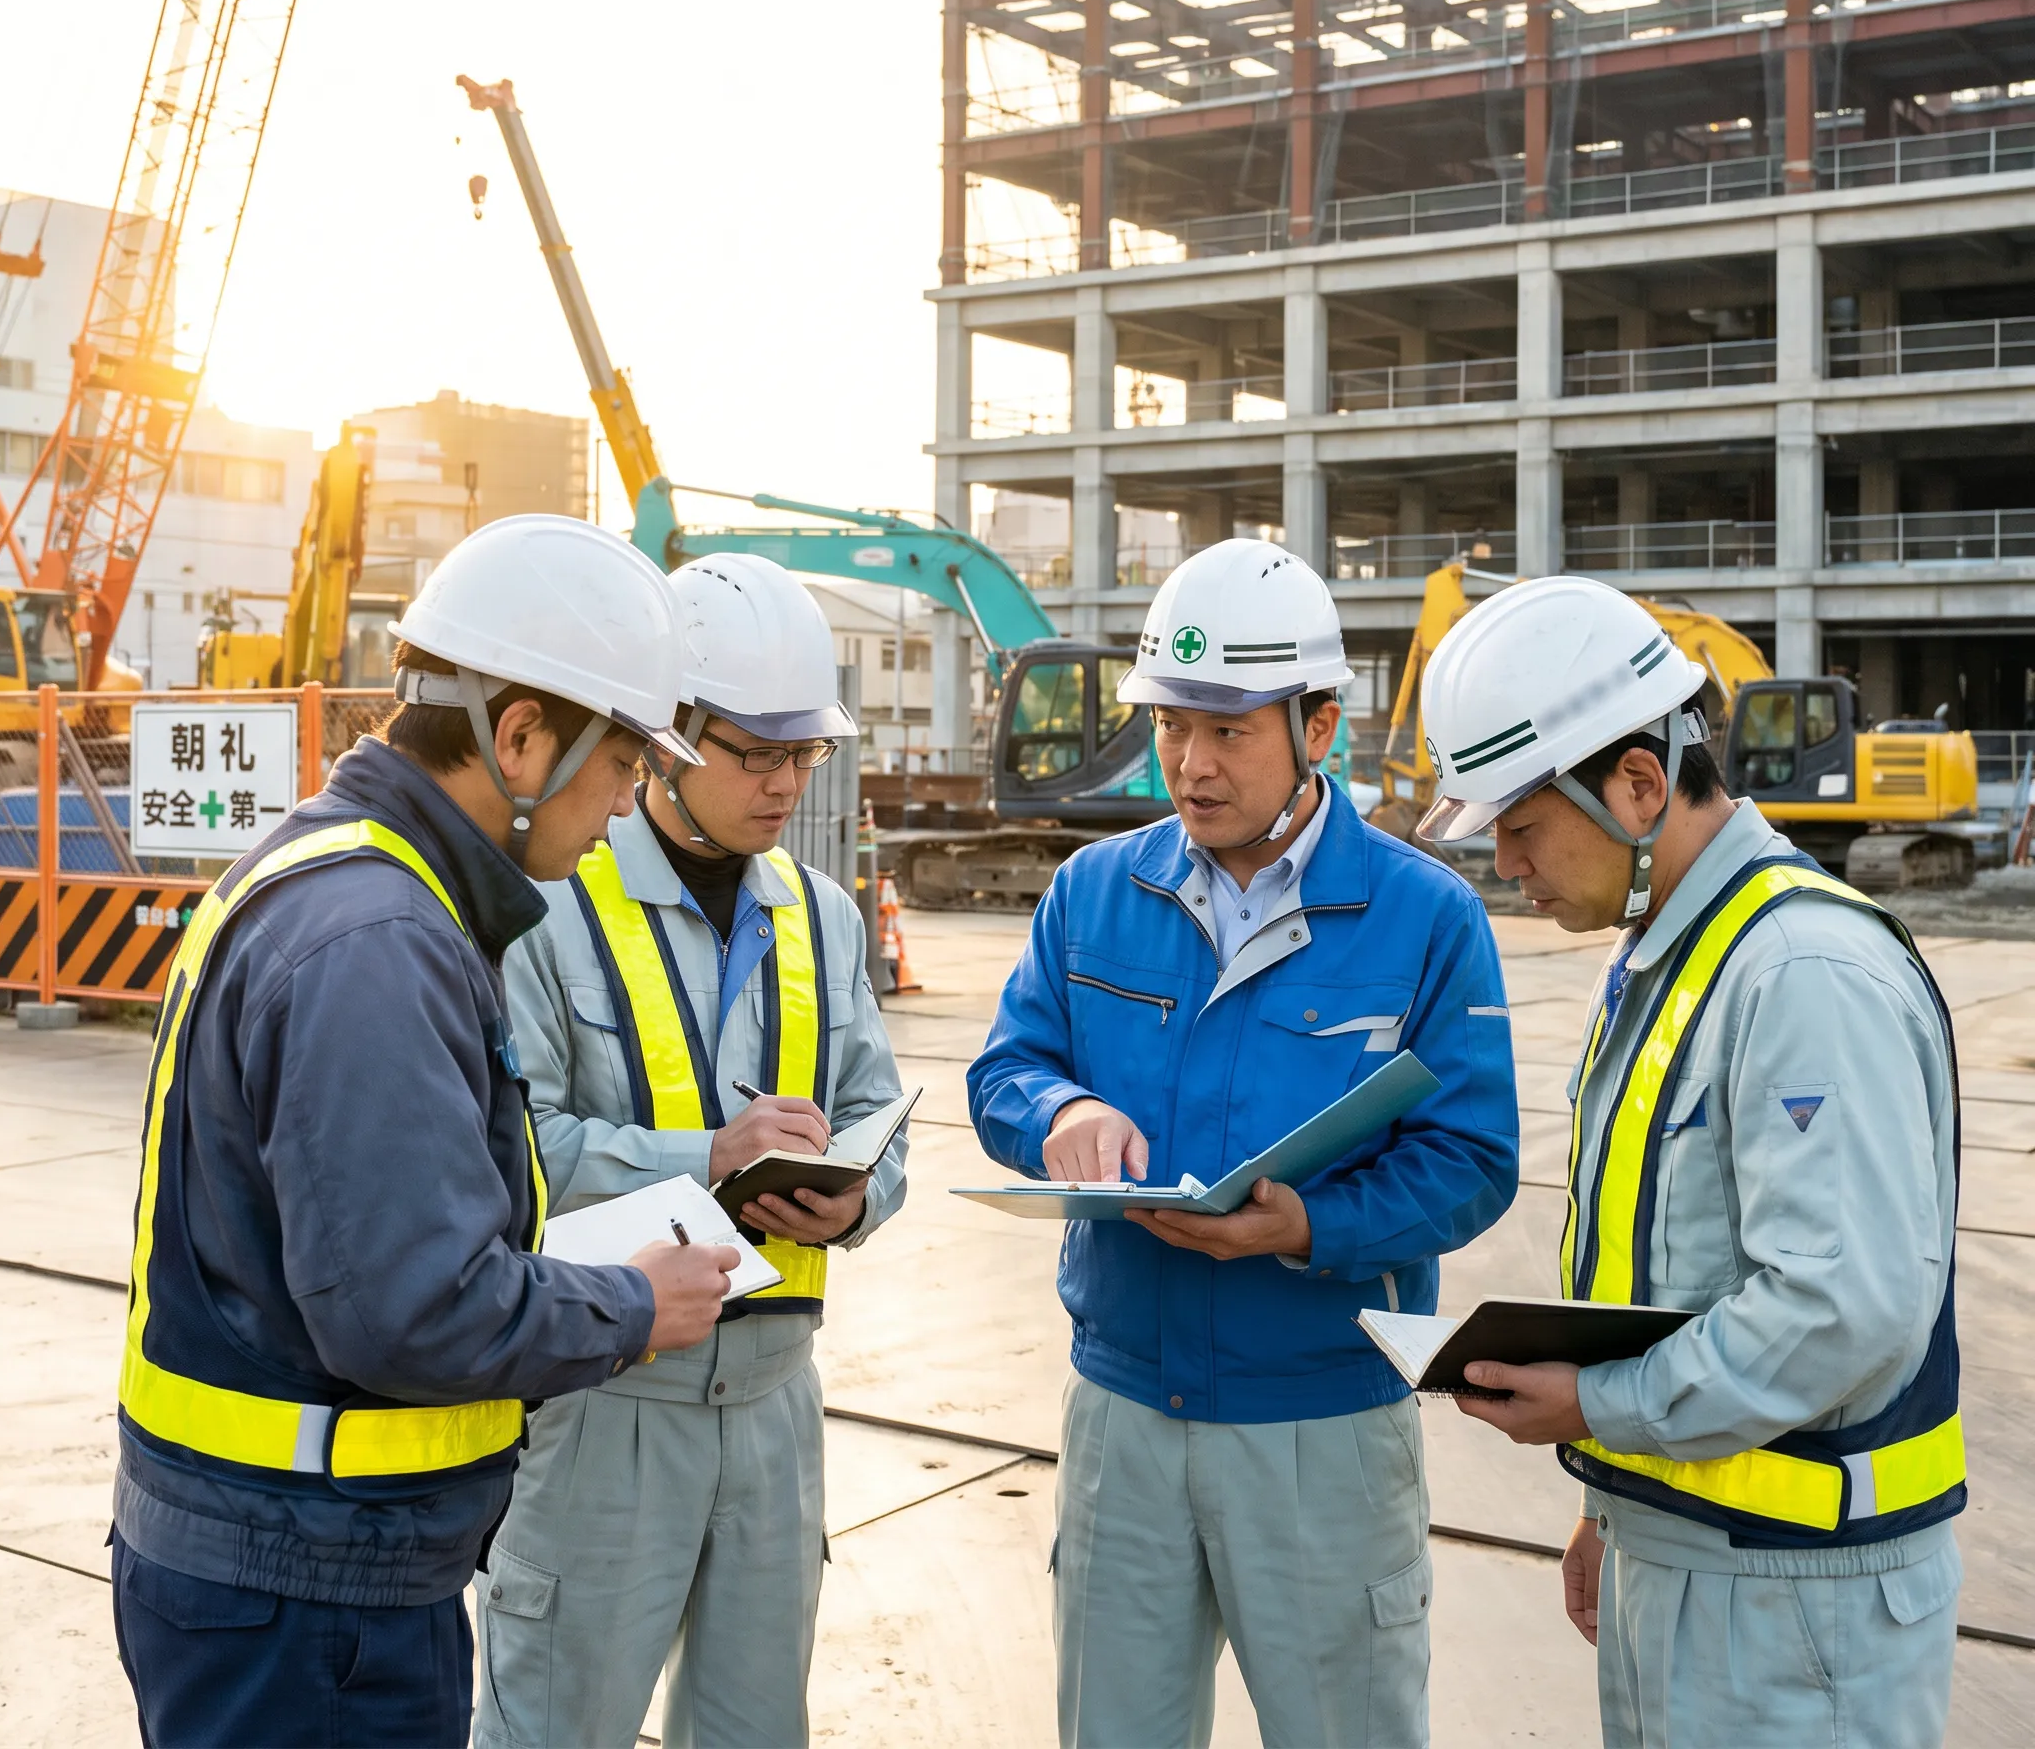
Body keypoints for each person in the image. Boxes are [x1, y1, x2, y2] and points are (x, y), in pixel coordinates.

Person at [110, 514, 742, 1749]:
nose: (625, 806)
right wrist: (628, 1303)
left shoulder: (331, 871)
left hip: (281, 1557)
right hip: (310, 1590)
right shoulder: (380, 941)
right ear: (519, 736)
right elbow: (408, 1308)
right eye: (620, 765)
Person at [967, 538, 1519, 1749]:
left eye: (1226, 729)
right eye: (1171, 723)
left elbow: (1472, 1157)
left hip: (1319, 1426)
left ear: (1316, 725)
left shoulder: (1424, 917)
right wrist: (1058, 1114)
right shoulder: (1094, 891)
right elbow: (1004, 1067)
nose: (1188, 761)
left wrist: (1310, 1226)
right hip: (1122, 1417)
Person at [1419, 576, 1965, 1749]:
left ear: (1634, 783)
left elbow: (1836, 1306)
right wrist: (1616, 1497)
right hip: (1692, 1553)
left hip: (1795, 1608)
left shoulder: (1799, 972)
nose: (1503, 858)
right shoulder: (1676, 956)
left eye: (1519, 824)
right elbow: (1676, 1264)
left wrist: (1601, 1407)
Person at [474, 552, 908, 1749]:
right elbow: (514, 1152)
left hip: (776, 1401)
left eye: (800, 753)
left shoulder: (819, 911)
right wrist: (706, 1156)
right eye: (751, 751)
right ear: (665, 740)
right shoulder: (545, 904)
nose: (781, 782)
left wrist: (857, 1198)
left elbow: (882, 1111)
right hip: (604, 1402)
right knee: (554, 1721)